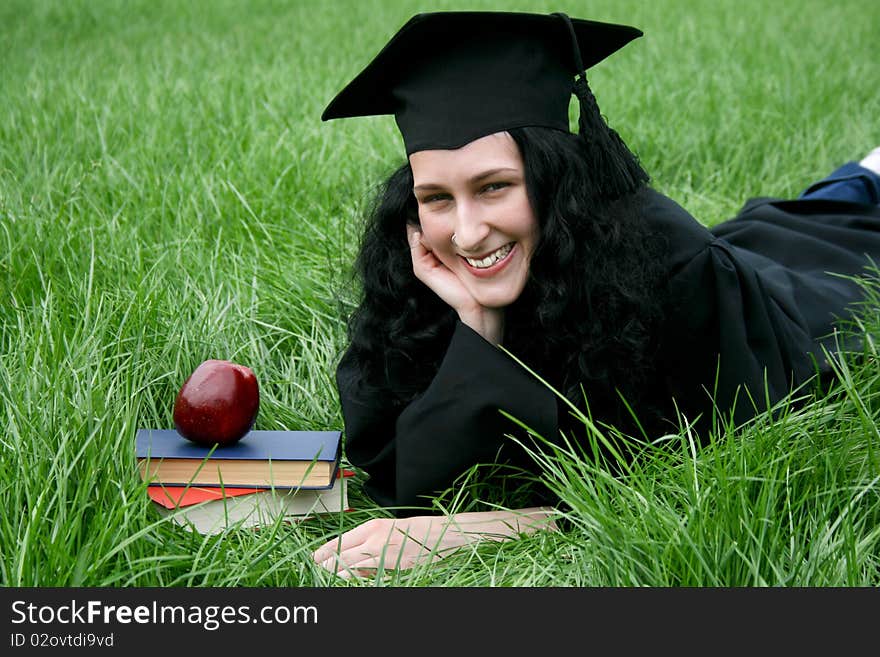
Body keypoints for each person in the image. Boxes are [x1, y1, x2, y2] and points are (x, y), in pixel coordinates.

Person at [311, 11, 880, 578]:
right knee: (796, 214)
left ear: (557, 180)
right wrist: (476, 327)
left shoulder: (674, 271)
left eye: (494, 187)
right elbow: (404, 479)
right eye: (436, 197)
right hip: (745, 241)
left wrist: (481, 529)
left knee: (835, 222)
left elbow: (684, 483)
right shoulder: (418, 271)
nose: (466, 232)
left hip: (802, 287)